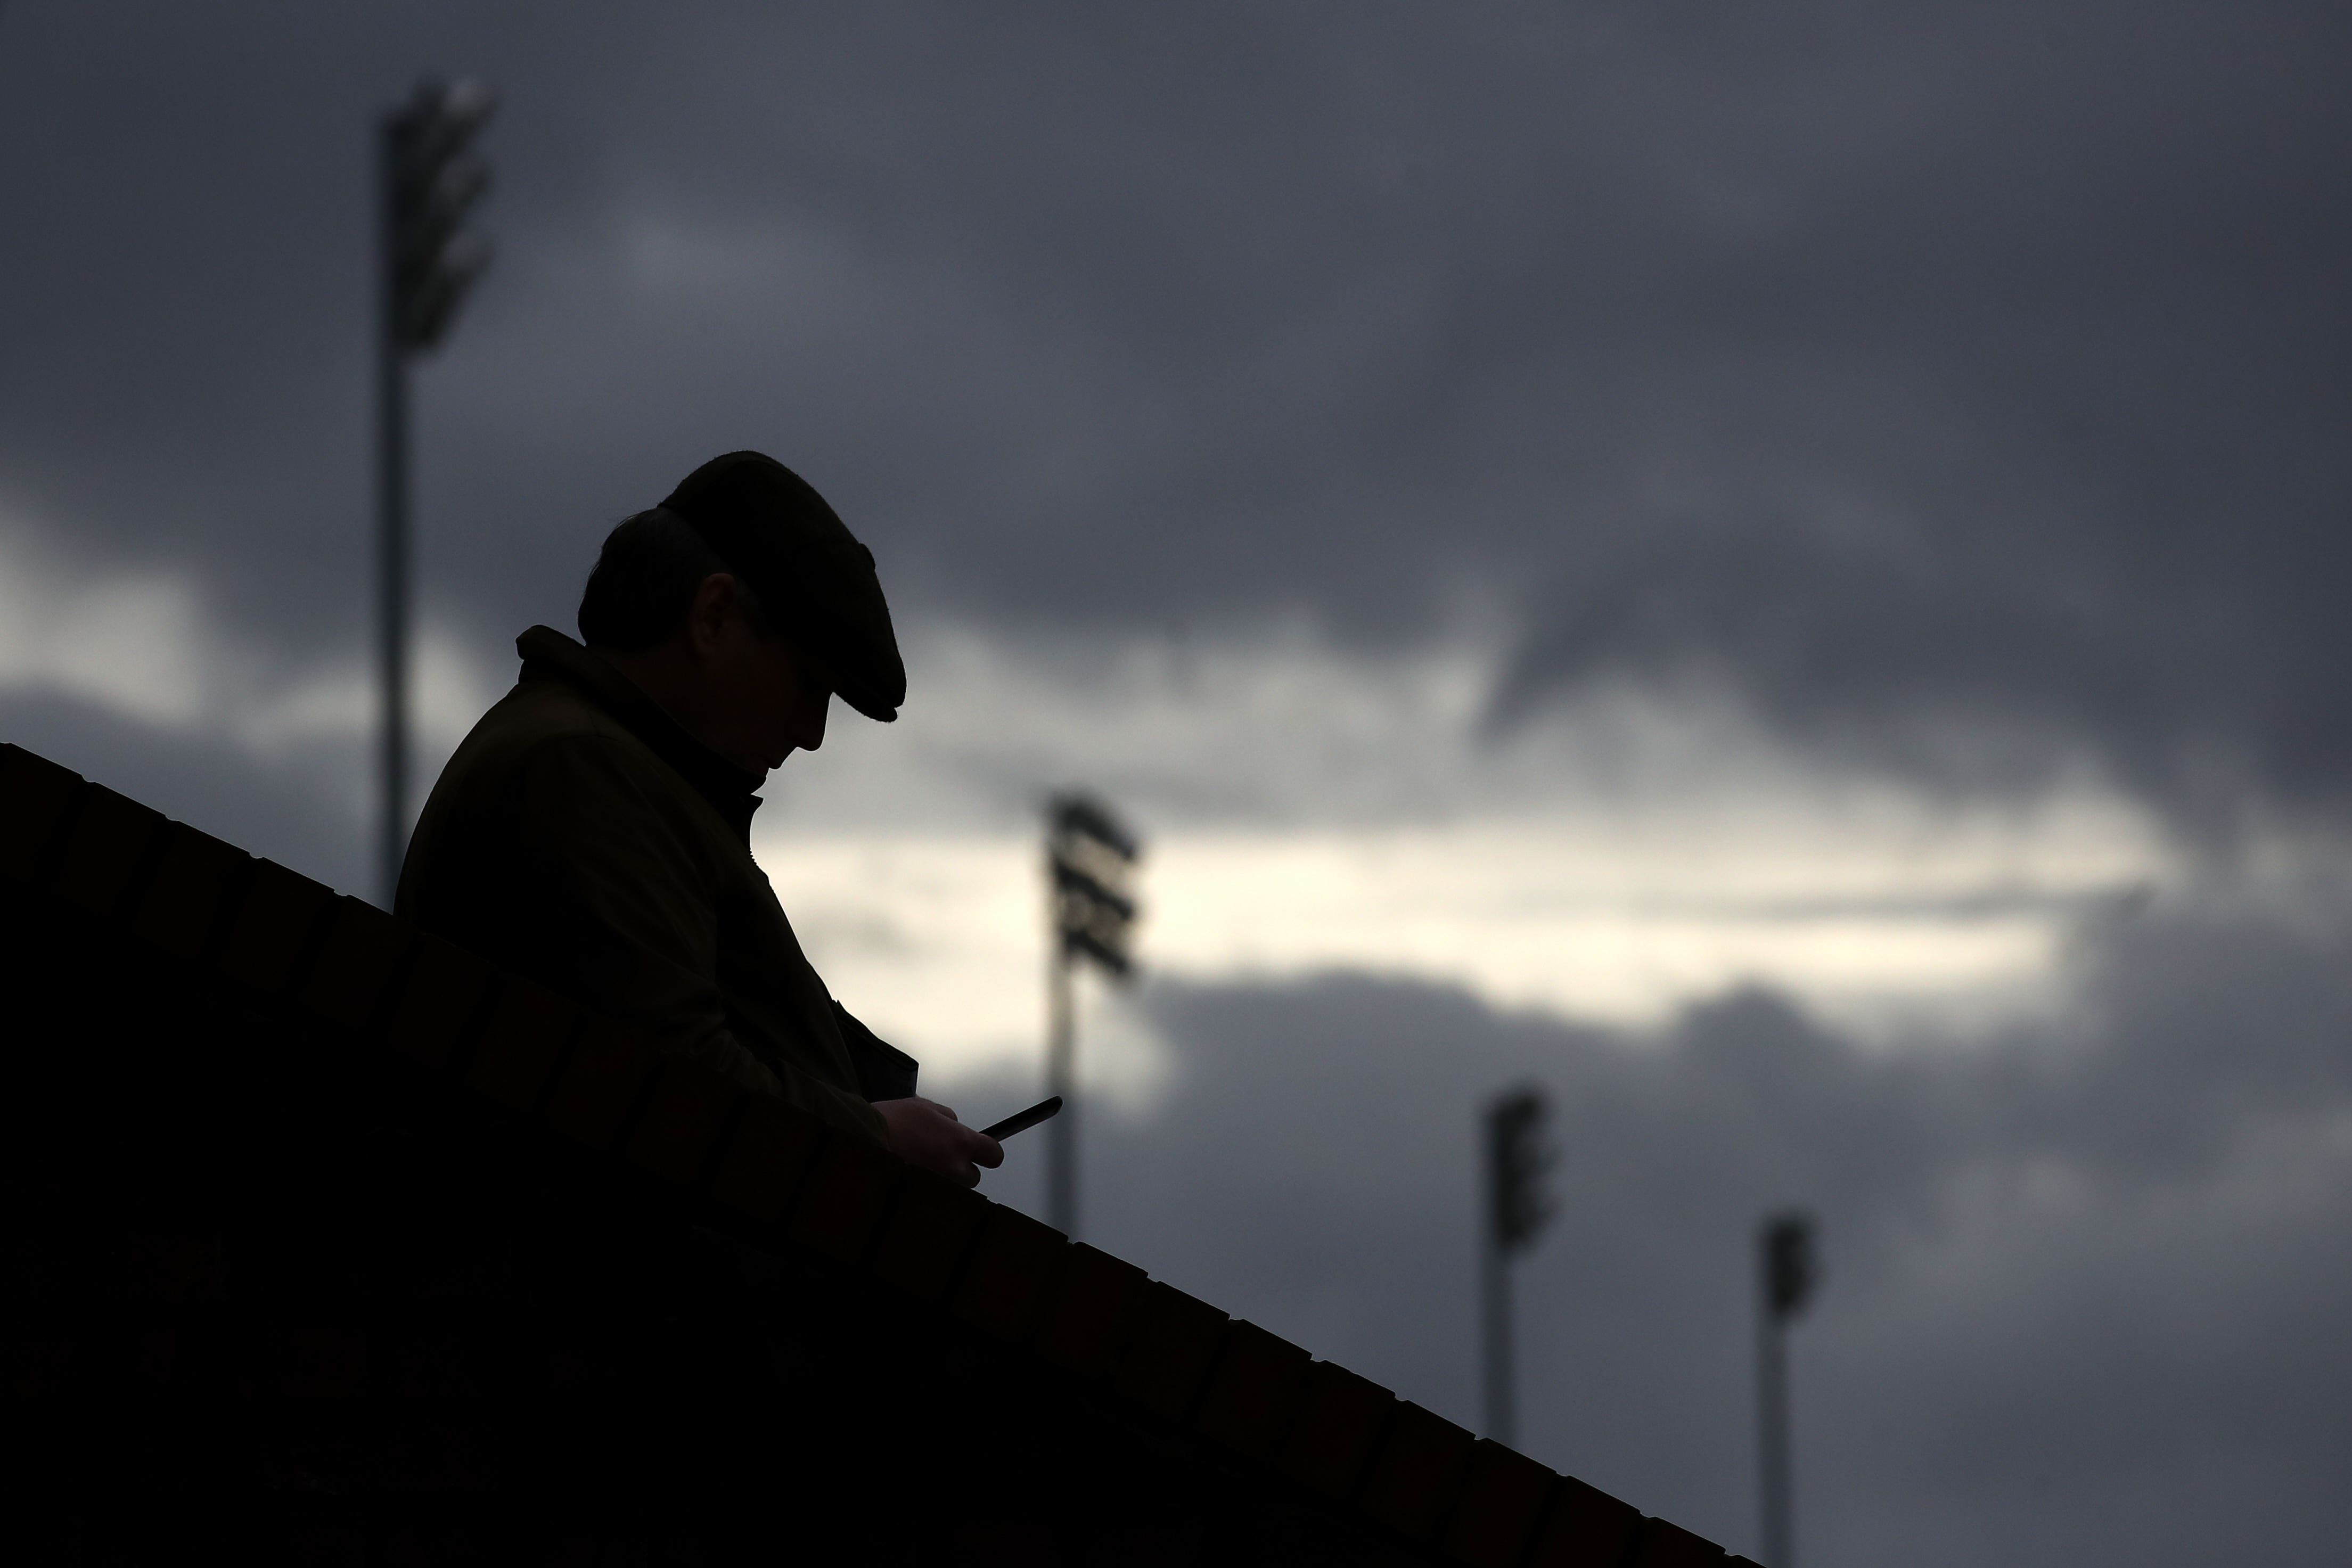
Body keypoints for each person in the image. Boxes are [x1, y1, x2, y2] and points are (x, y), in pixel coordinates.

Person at [397, 451, 1002, 1187]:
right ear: (713, 617)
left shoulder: (605, 764)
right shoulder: (585, 770)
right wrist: (873, 1135)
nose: (812, 732)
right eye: (810, 684)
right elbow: (674, 1082)